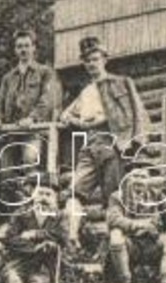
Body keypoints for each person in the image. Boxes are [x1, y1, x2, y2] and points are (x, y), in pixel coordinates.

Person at [60, 36, 150, 248]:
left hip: (114, 145)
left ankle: (115, 246)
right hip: (90, 145)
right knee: (75, 192)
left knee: (114, 197)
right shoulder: (86, 91)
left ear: (104, 59)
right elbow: (65, 116)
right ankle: (72, 239)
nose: (91, 64)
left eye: (95, 59)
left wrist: (137, 146)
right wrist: (78, 122)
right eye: (87, 61)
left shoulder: (121, 83)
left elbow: (138, 114)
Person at [0, 29, 62, 173]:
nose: (23, 50)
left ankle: (33, 192)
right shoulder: (8, 78)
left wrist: (32, 118)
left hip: (33, 131)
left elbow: (47, 100)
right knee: (7, 172)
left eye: (27, 45)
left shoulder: (45, 72)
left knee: (30, 162)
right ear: (15, 49)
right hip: (11, 132)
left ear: (34, 48)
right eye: (19, 46)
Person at [105, 168, 166, 283]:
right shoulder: (117, 196)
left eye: (143, 177)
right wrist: (139, 224)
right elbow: (114, 219)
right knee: (115, 234)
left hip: (152, 244)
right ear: (128, 179)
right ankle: (124, 280)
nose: (139, 181)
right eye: (135, 176)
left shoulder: (158, 196)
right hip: (129, 245)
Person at [0, 180, 67, 283]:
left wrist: (36, 234)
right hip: (20, 261)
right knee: (12, 278)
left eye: (48, 195)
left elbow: (61, 236)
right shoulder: (21, 213)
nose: (43, 198)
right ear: (33, 196)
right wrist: (34, 248)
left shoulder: (60, 217)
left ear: (55, 199)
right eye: (40, 193)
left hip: (45, 264)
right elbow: (10, 238)